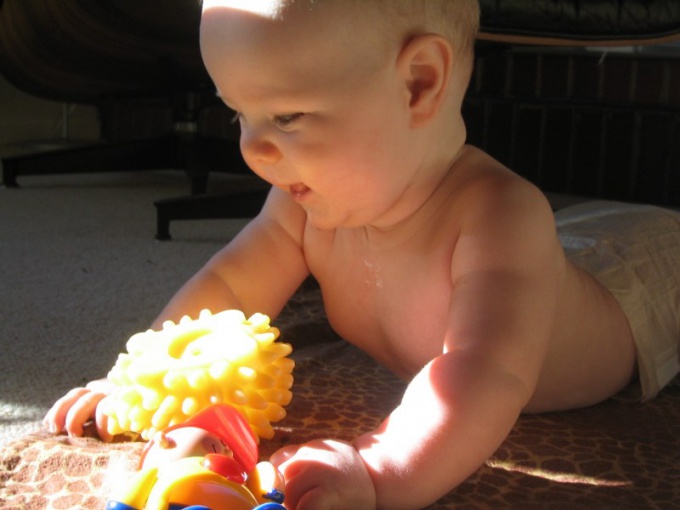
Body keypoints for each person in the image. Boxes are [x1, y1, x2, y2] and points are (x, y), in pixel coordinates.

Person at [44, 1, 680, 508]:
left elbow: (484, 374)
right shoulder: (302, 202)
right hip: (573, 250)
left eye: (287, 115)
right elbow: (232, 288)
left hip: (639, 292)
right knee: (574, 241)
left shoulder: (499, 216)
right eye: (239, 114)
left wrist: (382, 466)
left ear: (418, 84)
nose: (254, 150)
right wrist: (141, 380)